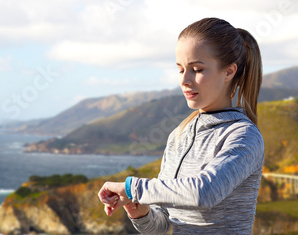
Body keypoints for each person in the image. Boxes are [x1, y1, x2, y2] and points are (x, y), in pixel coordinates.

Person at [98, 17, 264, 234]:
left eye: (197, 69)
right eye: (180, 69)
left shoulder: (243, 135)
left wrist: (133, 189)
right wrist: (138, 210)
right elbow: (160, 225)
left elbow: (204, 192)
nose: (184, 80)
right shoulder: (180, 134)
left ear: (229, 71)